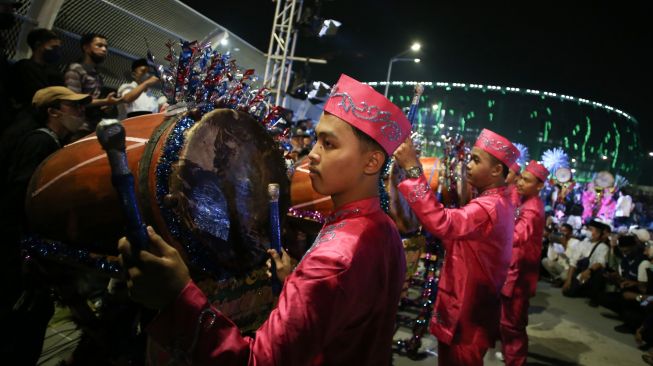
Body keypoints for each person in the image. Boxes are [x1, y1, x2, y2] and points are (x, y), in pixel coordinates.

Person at [117, 74, 409, 364]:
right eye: (316, 140)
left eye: (329, 144)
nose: (313, 154)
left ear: (372, 162)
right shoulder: (384, 229)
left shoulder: (333, 258)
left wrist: (178, 297)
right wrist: (296, 285)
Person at [394, 128, 519, 365]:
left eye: (475, 160)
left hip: (466, 310)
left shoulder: (487, 208)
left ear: (495, 171)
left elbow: (443, 223)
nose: (468, 166)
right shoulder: (497, 200)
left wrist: (413, 169)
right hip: (470, 304)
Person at [0, 86, 90, 365]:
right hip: (23, 255)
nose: (81, 112)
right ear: (52, 112)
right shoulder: (41, 143)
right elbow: (22, 198)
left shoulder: (50, 143)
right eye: (73, 107)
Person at [500, 160, 548, 366]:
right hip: (514, 270)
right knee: (507, 321)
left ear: (539, 186)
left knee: (513, 324)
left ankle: (516, 361)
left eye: (526, 180)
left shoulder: (533, 209)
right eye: (521, 177)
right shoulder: (524, 200)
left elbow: (517, 236)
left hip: (519, 276)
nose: (520, 183)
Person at [64, 32, 122, 133]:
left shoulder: (97, 75)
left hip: (94, 127)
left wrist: (107, 106)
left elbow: (96, 99)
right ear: (86, 48)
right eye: (99, 45)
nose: (104, 49)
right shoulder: (75, 70)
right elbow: (74, 100)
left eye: (105, 47)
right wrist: (105, 101)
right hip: (79, 128)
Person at [10, 28, 65, 110]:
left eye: (58, 48)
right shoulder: (25, 67)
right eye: (53, 47)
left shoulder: (53, 70)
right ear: (38, 45)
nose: (56, 51)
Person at [563, 219, 611, 306]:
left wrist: (589, 271)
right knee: (568, 292)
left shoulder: (603, 247)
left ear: (598, 233)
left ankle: (594, 295)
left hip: (592, 274)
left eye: (591, 229)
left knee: (600, 272)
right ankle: (583, 290)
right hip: (581, 272)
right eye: (588, 229)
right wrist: (568, 280)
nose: (588, 231)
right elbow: (573, 262)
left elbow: (600, 263)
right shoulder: (583, 243)